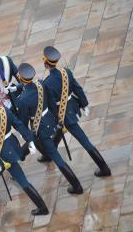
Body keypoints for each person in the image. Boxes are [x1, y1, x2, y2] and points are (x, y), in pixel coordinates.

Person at [42, 46, 111, 177]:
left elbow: (51, 106)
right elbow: (77, 89)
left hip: (63, 115)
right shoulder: (66, 72)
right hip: (72, 107)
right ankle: (49, 152)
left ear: (46, 64)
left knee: (83, 140)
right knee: (59, 134)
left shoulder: (47, 83)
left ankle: (104, 168)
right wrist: (84, 104)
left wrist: (55, 120)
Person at [0, 86, 48, 215]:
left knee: (22, 180)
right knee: (20, 177)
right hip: (13, 144)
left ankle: (42, 207)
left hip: (4, 154)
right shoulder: (4, 110)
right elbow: (19, 125)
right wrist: (29, 140)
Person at [16, 63, 83, 194]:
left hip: (41, 128)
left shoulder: (23, 99)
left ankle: (76, 186)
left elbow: (23, 122)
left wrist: (24, 134)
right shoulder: (41, 84)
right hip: (51, 120)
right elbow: (51, 102)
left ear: (22, 79)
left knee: (57, 157)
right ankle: (42, 155)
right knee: (49, 150)